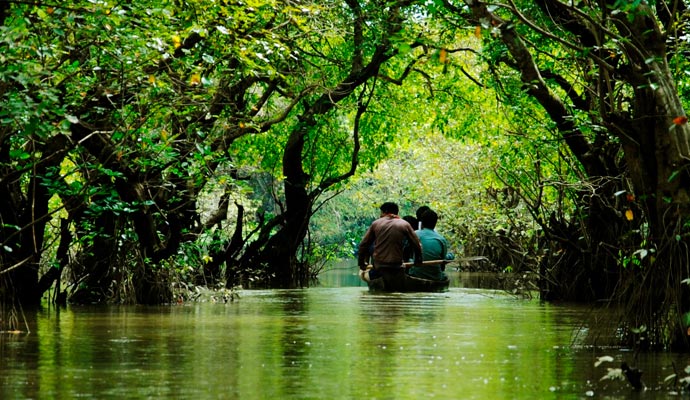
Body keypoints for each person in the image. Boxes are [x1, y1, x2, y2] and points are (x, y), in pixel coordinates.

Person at [358, 202, 422, 282]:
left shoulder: (376, 223)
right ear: (397, 212)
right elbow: (417, 244)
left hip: (379, 268)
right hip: (397, 268)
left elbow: (363, 245)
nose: (380, 215)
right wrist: (418, 260)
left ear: (385, 212)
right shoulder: (404, 224)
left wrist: (361, 264)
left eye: (381, 213)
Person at [407, 209, 454, 281]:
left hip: (415, 274)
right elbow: (443, 260)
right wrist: (451, 256)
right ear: (435, 223)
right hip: (435, 276)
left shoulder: (414, 234)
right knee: (445, 275)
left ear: (421, 222)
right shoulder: (441, 239)